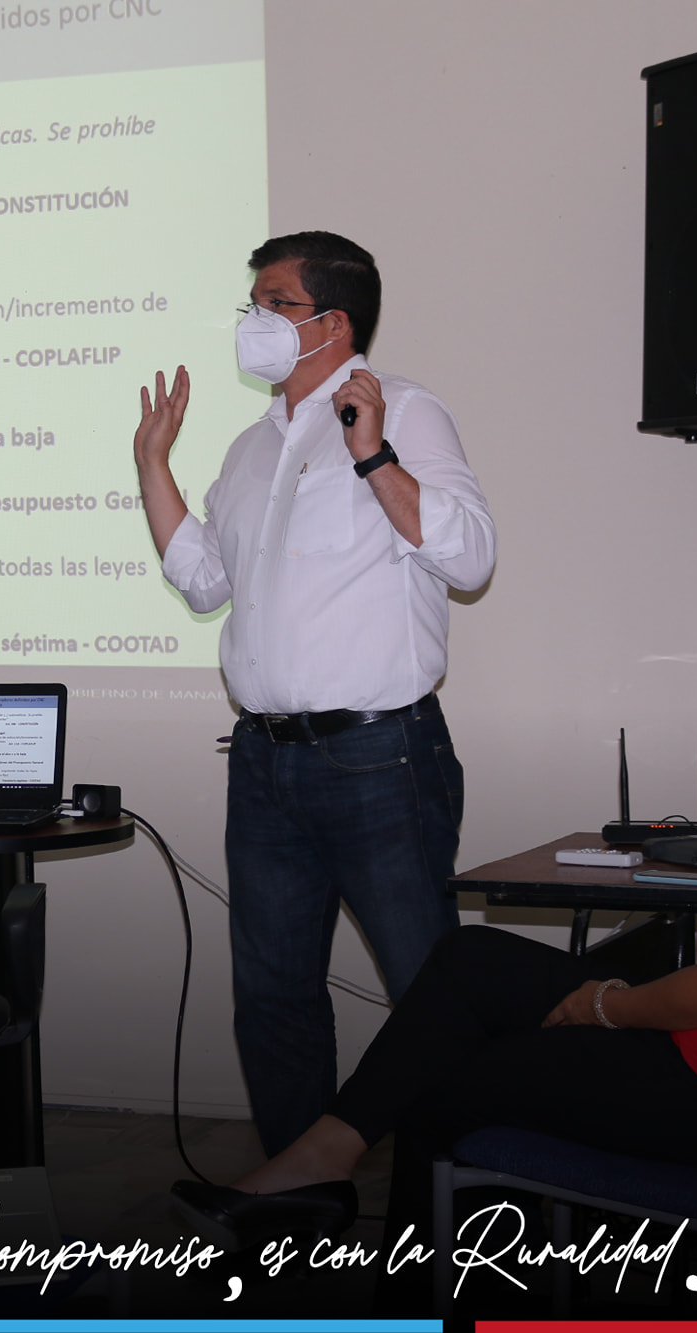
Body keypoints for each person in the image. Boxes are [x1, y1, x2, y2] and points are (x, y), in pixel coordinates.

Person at [170, 558, 697, 1301]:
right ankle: (325, 1156)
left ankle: (439, 1297)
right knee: (469, 959)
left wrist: (604, 1005)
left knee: (444, 1088)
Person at [134, 231, 496, 1154]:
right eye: (252, 304)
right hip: (263, 760)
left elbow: (470, 557)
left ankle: (458, 1202)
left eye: (273, 303)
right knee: (272, 995)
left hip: (379, 757)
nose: (252, 321)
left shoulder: (406, 411)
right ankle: (298, 1206)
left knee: (428, 991)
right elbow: (206, 582)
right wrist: (154, 467)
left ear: (334, 322)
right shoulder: (251, 448)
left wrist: (374, 456)